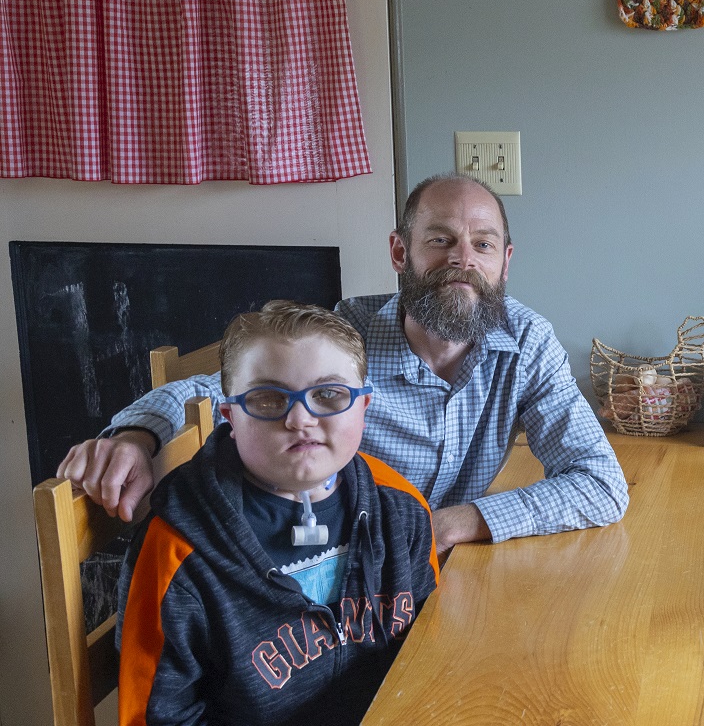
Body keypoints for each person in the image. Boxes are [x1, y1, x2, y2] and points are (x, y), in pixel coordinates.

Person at [58, 174, 629, 554]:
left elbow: (601, 484)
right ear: (400, 253)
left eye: (482, 244)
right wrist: (136, 435)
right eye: (440, 239)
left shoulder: (526, 342)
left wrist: (452, 524)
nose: (462, 258)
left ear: (504, 264)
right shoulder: (342, 340)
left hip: (440, 575)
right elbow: (209, 391)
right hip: (338, 585)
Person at [117, 301, 440, 726]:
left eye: (330, 394)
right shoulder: (177, 550)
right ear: (230, 415)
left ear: (364, 407)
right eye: (267, 398)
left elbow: (432, 656)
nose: (300, 418)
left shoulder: (402, 510)